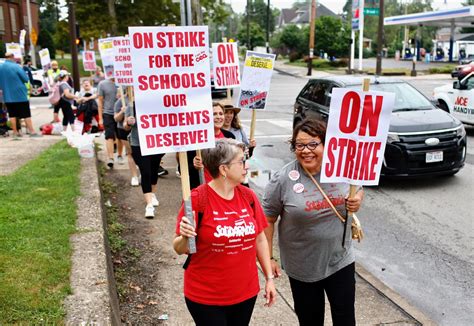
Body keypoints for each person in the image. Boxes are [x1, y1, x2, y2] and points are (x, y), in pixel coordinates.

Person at [262, 118, 364, 326]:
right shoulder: (283, 179)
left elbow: (358, 187)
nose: (306, 150)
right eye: (299, 145)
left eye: (312, 144)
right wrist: (269, 257)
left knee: (345, 318)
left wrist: (357, 200)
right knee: (310, 320)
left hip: (340, 257)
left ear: (325, 144)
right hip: (303, 266)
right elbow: (268, 219)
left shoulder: (342, 168)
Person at [173, 138, 276, 325]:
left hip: (246, 292)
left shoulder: (248, 196)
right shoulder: (197, 199)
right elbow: (179, 248)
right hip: (207, 297)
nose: (246, 166)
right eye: (241, 161)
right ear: (223, 169)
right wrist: (184, 236)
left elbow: (260, 239)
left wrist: (269, 278)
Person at [124, 102, 164, 218]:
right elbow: (125, 127)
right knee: (145, 171)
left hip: (157, 142)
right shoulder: (131, 106)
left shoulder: (158, 103)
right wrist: (128, 123)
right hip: (138, 144)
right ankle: (149, 205)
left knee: (153, 170)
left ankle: (152, 194)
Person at [191, 102, 235, 187]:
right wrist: (195, 165)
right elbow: (183, 169)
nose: (218, 117)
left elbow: (235, 162)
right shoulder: (197, 138)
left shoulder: (230, 136)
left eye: (221, 114)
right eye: (214, 114)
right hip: (205, 188)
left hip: (226, 187)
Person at [0, 52, 40, 138]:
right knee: (26, 114)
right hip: (20, 95)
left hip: (7, 96)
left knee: (12, 114)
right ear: (12, 57)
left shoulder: (1, 67)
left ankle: (15, 133)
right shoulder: (16, 66)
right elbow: (25, 79)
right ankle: (32, 132)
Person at [114, 89, 139, 186]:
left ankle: (142, 172)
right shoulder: (121, 101)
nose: (133, 89)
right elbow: (116, 118)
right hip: (124, 130)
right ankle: (134, 176)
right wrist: (122, 112)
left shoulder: (141, 98)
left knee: (140, 154)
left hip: (137, 131)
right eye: (132, 87)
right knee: (130, 153)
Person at [97, 77, 121, 168]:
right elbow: (100, 101)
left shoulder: (123, 82)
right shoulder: (102, 84)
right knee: (109, 136)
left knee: (120, 136)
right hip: (108, 113)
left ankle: (119, 155)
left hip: (120, 112)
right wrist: (100, 118)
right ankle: (111, 158)